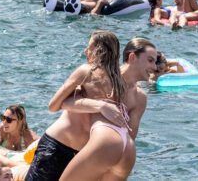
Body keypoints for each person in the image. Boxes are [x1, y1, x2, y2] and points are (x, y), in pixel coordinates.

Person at [26, 33, 156, 181]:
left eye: (89, 48)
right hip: (58, 146)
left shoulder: (139, 97)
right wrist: (100, 106)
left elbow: (128, 136)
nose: (155, 67)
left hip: (87, 154)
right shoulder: (93, 74)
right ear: (132, 57)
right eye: (151, 60)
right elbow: (57, 104)